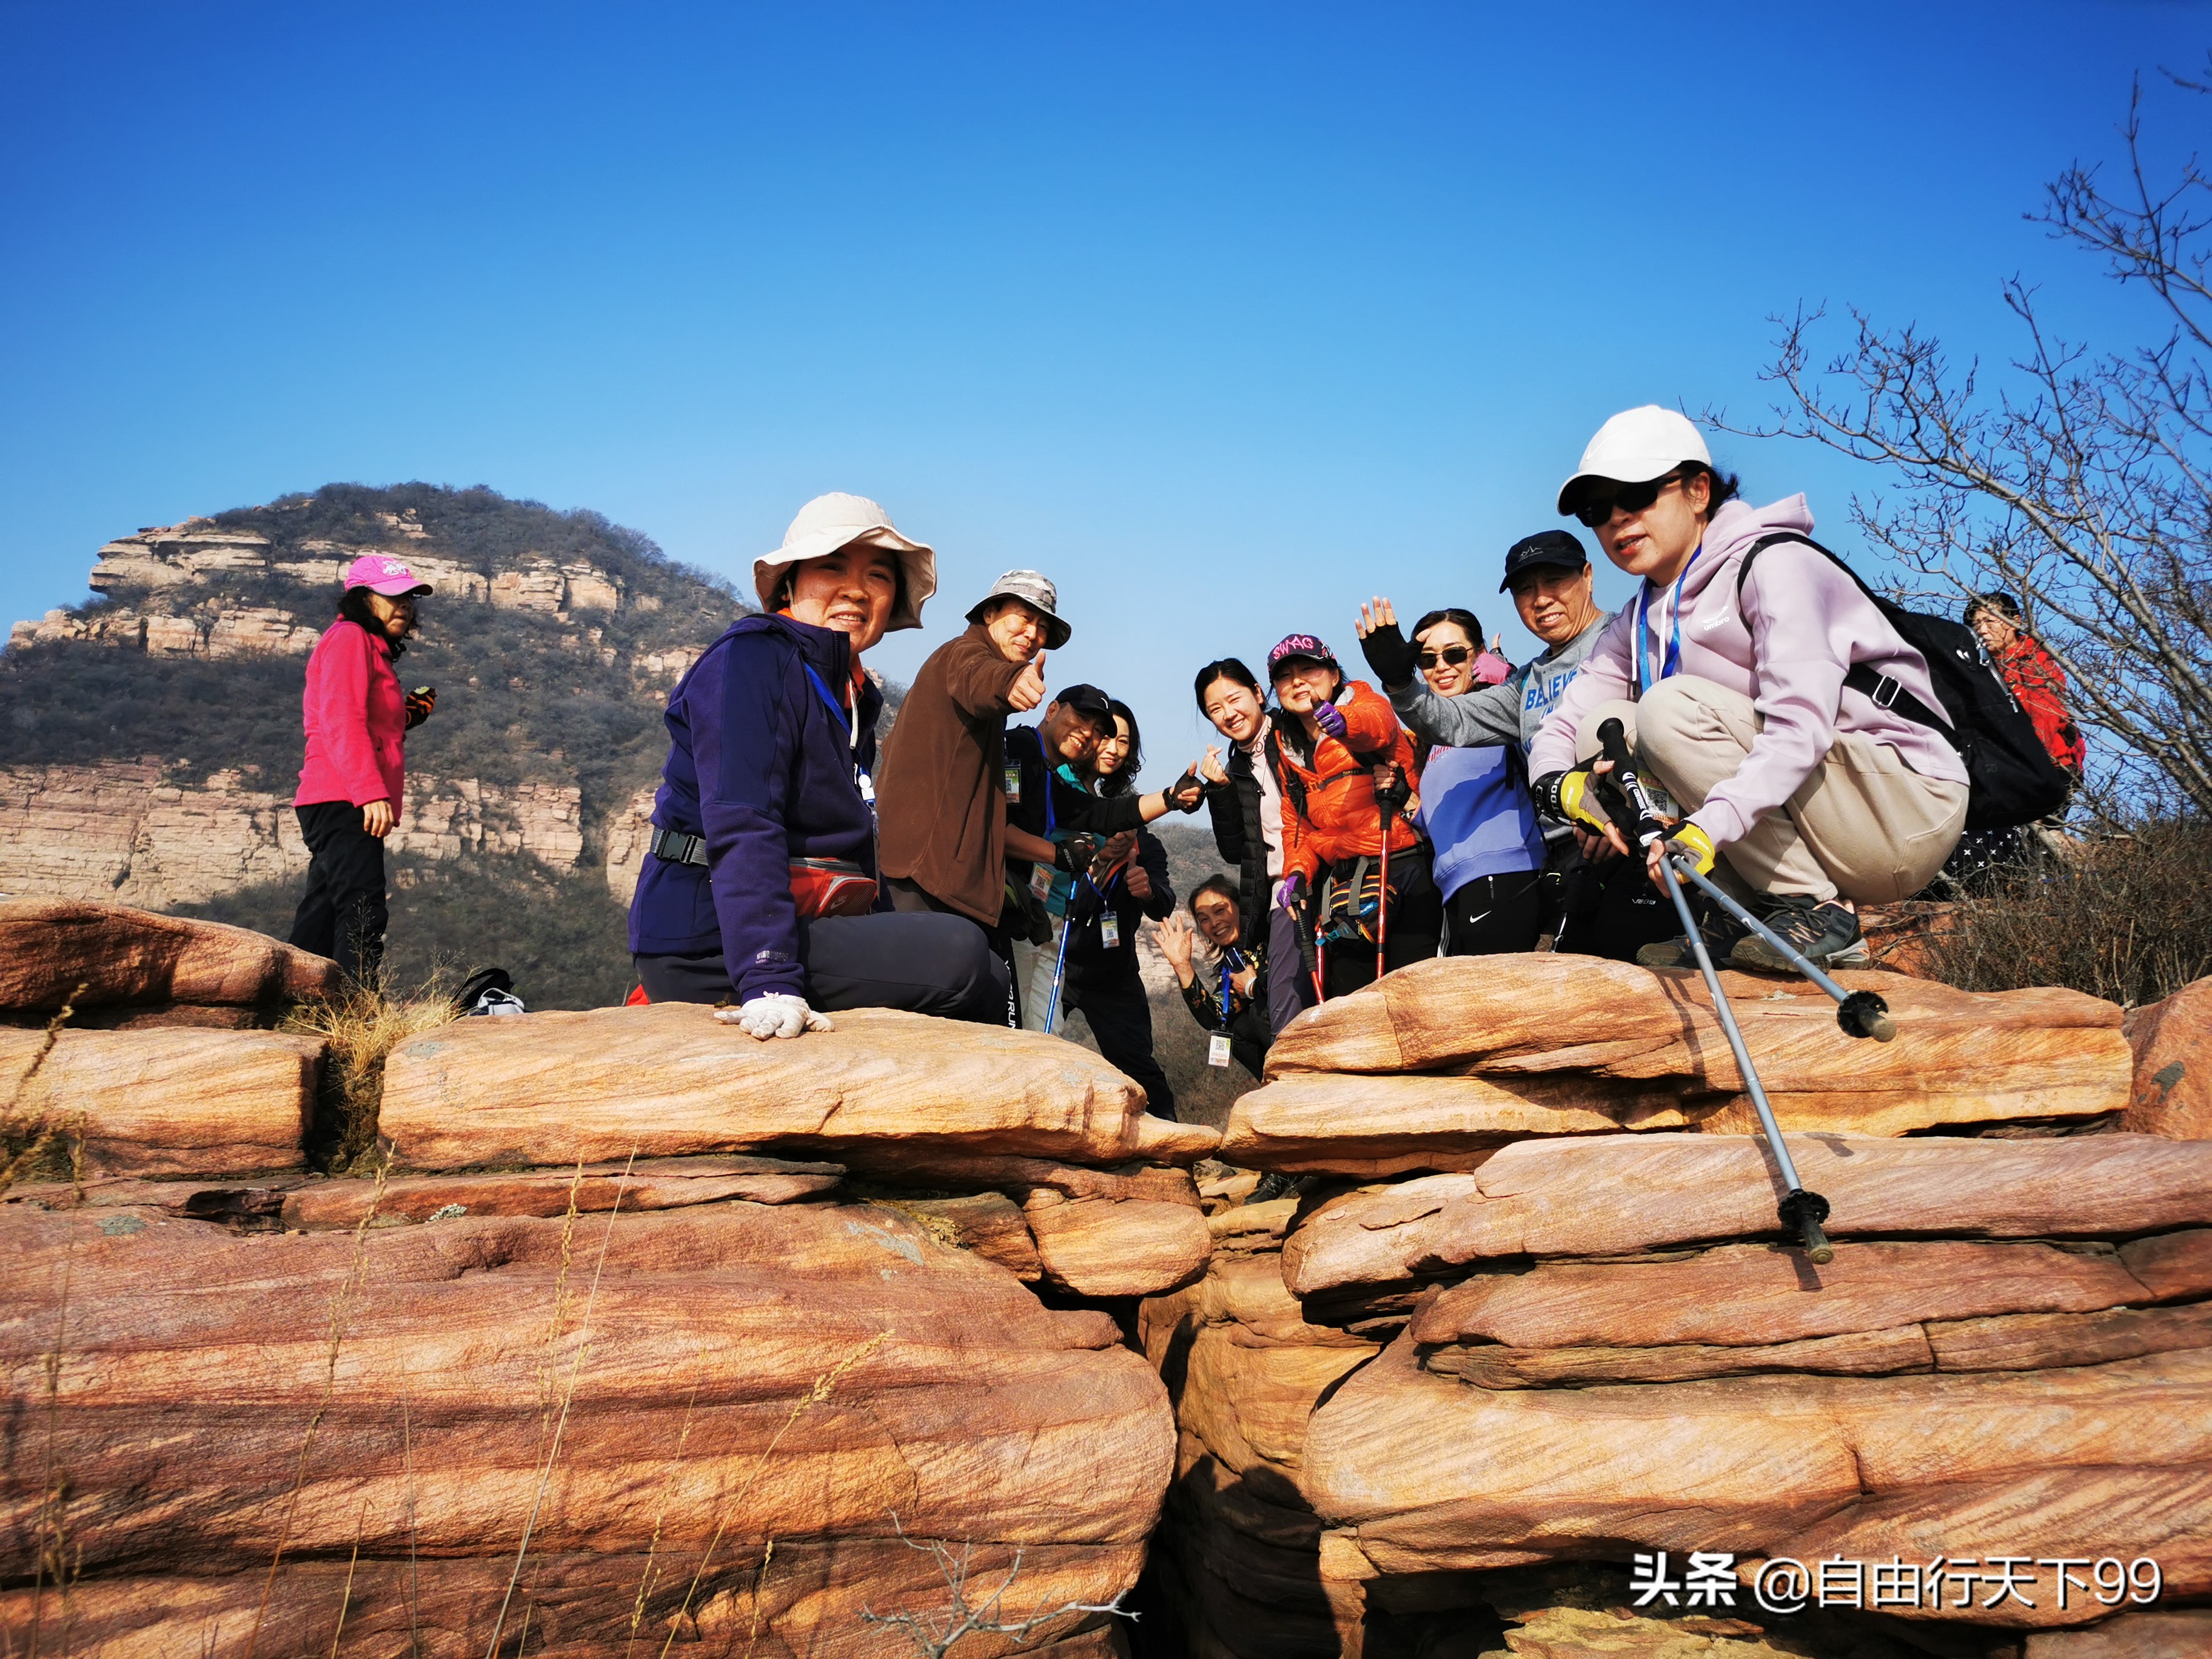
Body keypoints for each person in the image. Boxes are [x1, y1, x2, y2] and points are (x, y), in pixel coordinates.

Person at [1529, 406, 1970, 973]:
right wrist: (1558, 788)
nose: (1617, 518)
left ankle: (1818, 910)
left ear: (1697, 491)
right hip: (1823, 811)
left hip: (1903, 805)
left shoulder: (1775, 563)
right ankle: (1742, 909)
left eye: (1636, 494)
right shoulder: (1636, 618)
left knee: (1665, 710)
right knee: (1605, 730)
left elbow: (1799, 728)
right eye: (1597, 508)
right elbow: (1566, 723)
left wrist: (1706, 830)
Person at [628, 493, 1005, 1032]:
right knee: (961, 954)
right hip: (706, 939)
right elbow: (742, 819)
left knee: (986, 967)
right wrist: (768, 977)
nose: (856, 588)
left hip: (804, 915)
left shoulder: (851, 695)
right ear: (790, 583)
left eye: (878, 575)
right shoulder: (754, 659)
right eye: (832, 566)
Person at [1356, 529, 1623, 948]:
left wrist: (1622, 803)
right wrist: (1398, 681)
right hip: (1564, 858)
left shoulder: (1624, 638)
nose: (1541, 599)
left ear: (1588, 576)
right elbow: (1451, 721)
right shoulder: (1526, 684)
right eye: (1525, 589)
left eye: (1555, 580)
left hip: (1627, 840)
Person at [873, 569, 1059, 1023]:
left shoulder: (965, 663)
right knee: (918, 1018)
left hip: (935, 877)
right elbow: (981, 679)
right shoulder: (963, 654)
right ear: (991, 613)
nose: (1033, 634)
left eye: (1043, 628)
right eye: (1024, 618)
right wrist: (1012, 682)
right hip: (926, 877)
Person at [1002, 683, 1197, 1028]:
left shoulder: (1052, 779)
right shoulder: (1020, 750)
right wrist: (1059, 854)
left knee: (1048, 1030)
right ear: (1052, 710)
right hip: (1011, 911)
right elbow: (996, 829)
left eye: (1100, 733)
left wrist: (1170, 798)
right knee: (1013, 1024)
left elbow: (1103, 814)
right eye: (1081, 720)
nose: (1089, 736)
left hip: (1048, 923)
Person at [1264, 633, 1440, 998]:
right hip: (1345, 889)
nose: (1297, 681)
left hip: (1402, 865)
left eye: (1308, 669)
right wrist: (1296, 873)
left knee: (1418, 994)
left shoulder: (1362, 701)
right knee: (1355, 1006)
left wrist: (1341, 723)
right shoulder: (1287, 751)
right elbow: (1298, 827)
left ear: (1332, 675)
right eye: (1285, 676)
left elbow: (1379, 726)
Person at [1364, 606, 1546, 956]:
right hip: (1454, 887)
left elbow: (1543, 729)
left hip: (1506, 873)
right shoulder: (1432, 744)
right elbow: (1444, 825)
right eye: (1428, 660)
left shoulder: (1497, 713)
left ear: (1478, 654)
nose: (1442, 667)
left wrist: (1507, 676)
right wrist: (1407, 800)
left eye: (1454, 654)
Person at [290, 554, 436, 987]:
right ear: (361, 599)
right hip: (343, 796)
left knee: (325, 909)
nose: (405, 606)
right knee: (362, 907)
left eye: (409, 597)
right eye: (392, 596)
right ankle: (356, 1012)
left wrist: (404, 715)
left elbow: (363, 720)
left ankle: (290, 1001)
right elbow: (340, 721)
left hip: (336, 796)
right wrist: (370, 792)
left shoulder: (368, 648)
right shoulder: (349, 638)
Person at [1056, 700, 1181, 1116]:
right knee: (1033, 1046)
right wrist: (1097, 862)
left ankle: (1171, 1151)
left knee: (1138, 1069)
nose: (1111, 747)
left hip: (1113, 972)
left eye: (1123, 741)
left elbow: (1164, 901)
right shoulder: (1068, 808)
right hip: (1056, 960)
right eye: (1105, 736)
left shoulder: (1145, 841)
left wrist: (1145, 891)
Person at [1195, 659, 1315, 1034]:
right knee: (1285, 1002)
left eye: (1235, 699)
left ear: (1259, 694)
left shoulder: (1296, 732)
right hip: (1284, 889)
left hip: (1331, 870)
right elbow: (1235, 851)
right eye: (1216, 710)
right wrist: (1218, 791)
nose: (1229, 714)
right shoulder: (1234, 771)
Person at [1157, 874, 1273, 1081]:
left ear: (1241, 906)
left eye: (1220, 911)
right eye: (1204, 919)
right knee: (1236, 1027)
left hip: (1305, 1030)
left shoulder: (1272, 937)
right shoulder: (1233, 965)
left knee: (1257, 1012)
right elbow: (1215, 1017)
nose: (1215, 922)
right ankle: (1274, 1081)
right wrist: (1183, 967)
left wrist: (1253, 987)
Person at [1965, 593, 2085, 781]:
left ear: (2014, 622)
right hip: (2006, 769)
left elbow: (2045, 714)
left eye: (1989, 621)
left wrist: (2035, 762)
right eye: (1976, 624)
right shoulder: (1982, 670)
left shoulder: (2034, 662)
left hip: (2051, 767)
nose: (1982, 630)